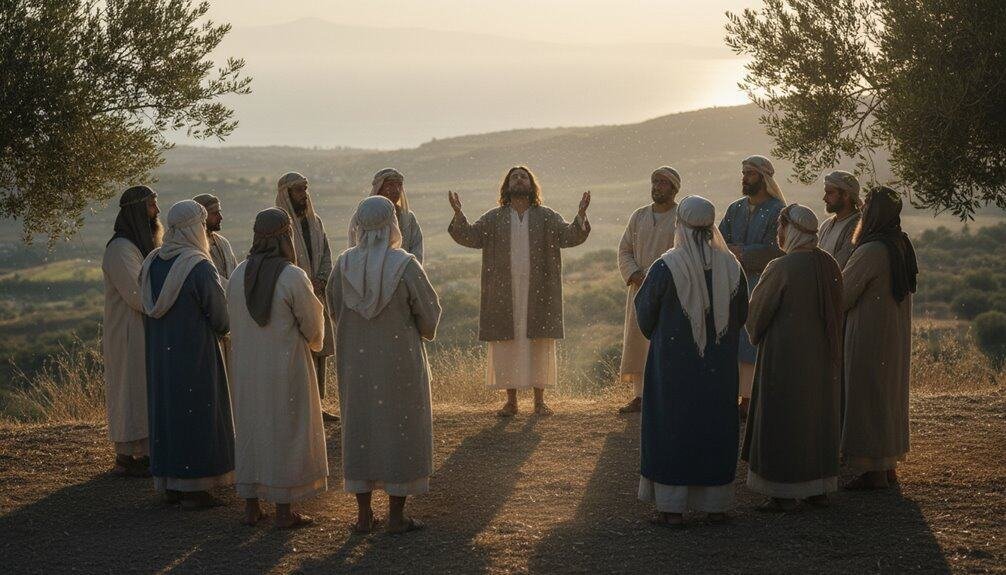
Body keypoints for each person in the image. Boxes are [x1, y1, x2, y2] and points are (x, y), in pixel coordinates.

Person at [327, 196, 442, 534]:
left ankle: (363, 516)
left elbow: (333, 310)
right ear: (392, 224)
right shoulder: (405, 266)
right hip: (399, 363)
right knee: (401, 427)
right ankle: (396, 516)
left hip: (357, 364)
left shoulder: (343, 265)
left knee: (360, 427)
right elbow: (429, 315)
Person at [634, 195, 748, 526]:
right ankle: (715, 505)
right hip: (719, 366)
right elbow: (741, 315)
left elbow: (645, 316)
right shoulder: (732, 266)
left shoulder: (665, 266)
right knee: (714, 424)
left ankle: (671, 508)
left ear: (680, 225)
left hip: (672, 365)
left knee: (672, 425)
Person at [447, 166, 590, 416]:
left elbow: (569, 237)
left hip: (539, 290)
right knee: (507, 344)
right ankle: (511, 402)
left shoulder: (546, 216)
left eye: (523, 176)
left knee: (538, 343)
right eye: (514, 177)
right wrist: (459, 214)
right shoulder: (494, 218)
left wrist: (580, 215)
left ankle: (539, 401)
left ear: (531, 185)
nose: (519, 179)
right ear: (507, 186)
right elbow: (470, 237)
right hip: (504, 291)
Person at [229, 208, 328, 529]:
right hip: (286, 368)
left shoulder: (237, 275)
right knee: (285, 432)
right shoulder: (292, 276)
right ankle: (285, 511)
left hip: (246, 370)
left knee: (252, 431)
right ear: (286, 237)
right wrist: (313, 344)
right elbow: (313, 324)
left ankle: (250, 506)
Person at [742, 204, 843, 512]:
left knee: (783, 418)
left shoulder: (780, 268)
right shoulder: (829, 264)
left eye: (781, 228)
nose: (778, 234)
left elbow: (755, 314)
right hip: (823, 358)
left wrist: (755, 334)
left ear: (790, 230)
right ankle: (818, 488)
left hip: (784, 359)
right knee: (816, 418)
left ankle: (782, 493)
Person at [140, 200, 233, 508]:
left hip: (160, 355)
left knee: (168, 411)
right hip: (196, 353)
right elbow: (220, 316)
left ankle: (171, 483)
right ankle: (196, 486)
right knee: (197, 411)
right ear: (196, 228)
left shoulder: (152, 261)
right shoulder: (199, 266)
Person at [841, 187, 917, 490]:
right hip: (894, 334)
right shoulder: (900, 243)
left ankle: (872, 471)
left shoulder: (871, 250)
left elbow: (844, 295)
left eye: (867, 206)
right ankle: (887, 467)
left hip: (869, 334)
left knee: (867, 397)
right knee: (887, 397)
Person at [719, 155, 786, 418]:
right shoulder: (735, 208)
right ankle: (732, 395)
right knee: (731, 339)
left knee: (751, 342)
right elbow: (721, 240)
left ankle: (750, 399)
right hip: (732, 283)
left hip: (761, 283)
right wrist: (726, 252)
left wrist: (743, 252)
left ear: (764, 177)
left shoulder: (778, 210)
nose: (745, 178)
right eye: (743, 173)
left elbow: (777, 249)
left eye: (750, 173)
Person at [101, 185, 161, 477]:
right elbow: (138, 295)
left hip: (144, 330)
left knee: (144, 389)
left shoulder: (138, 246)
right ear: (138, 210)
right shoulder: (121, 249)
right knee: (130, 389)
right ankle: (126, 456)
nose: (157, 212)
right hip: (128, 332)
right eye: (152, 205)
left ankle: (148, 453)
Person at [616, 167, 679, 413]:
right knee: (639, 341)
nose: (657, 186)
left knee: (665, 341)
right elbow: (624, 250)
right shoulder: (639, 216)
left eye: (663, 182)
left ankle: (666, 395)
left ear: (674, 188)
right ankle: (641, 396)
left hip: (670, 290)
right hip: (640, 288)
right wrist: (635, 274)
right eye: (655, 181)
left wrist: (663, 278)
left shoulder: (680, 217)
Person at [276, 172, 337, 421]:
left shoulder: (315, 222)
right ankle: (298, 408)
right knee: (297, 352)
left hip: (317, 293)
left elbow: (325, 255)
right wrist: (300, 283)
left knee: (317, 349)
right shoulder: (278, 223)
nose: (303, 195)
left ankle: (316, 407)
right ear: (287, 194)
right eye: (298, 190)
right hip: (292, 295)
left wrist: (320, 279)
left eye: (305, 189)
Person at [348, 168, 424, 262]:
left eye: (399, 185)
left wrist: (407, 270)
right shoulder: (362, 217)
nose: (396, 190)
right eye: (390, 185)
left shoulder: (408, 218)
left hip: (402, 273)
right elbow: (354, 249)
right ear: (379, 188)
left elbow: (416, 250)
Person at [818, 171, 863, 268]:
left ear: (846, 195)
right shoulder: (826, 225)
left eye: (829, 193)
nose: (824, 198)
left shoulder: (858, 227)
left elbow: (840, 265)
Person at [192, 193, 238, 286]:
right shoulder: (192, 247)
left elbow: (235, 274)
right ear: (201, 216)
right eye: (215, 213)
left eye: (219, 212)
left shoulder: (224, 243)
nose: (221, 217)